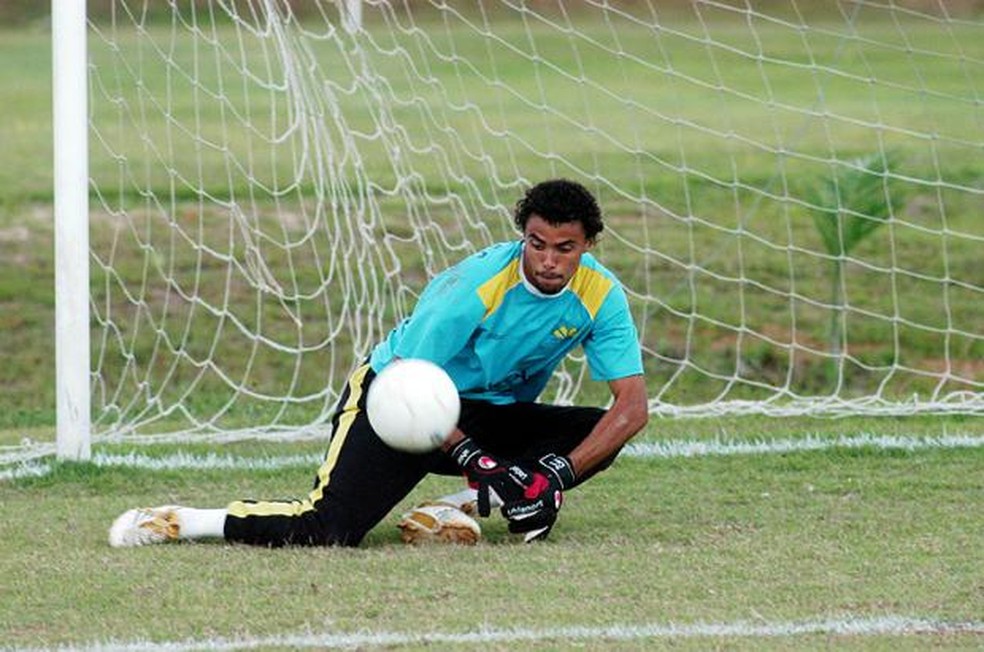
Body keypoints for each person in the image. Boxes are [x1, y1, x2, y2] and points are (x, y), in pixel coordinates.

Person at [109, 178, 649, 548]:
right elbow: (409, 386)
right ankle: (183, 521)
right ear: (522, 237)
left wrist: (552, 478)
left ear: (588, 245)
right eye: (537, 244)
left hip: (482, 412)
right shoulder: (474, 288)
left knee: (591, 431)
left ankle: (452, 507)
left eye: (565, 247)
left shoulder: (601, 295)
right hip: (397, 402)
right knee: (328, 530)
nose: (549, 260)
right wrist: (486, 463)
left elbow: (631, 408)